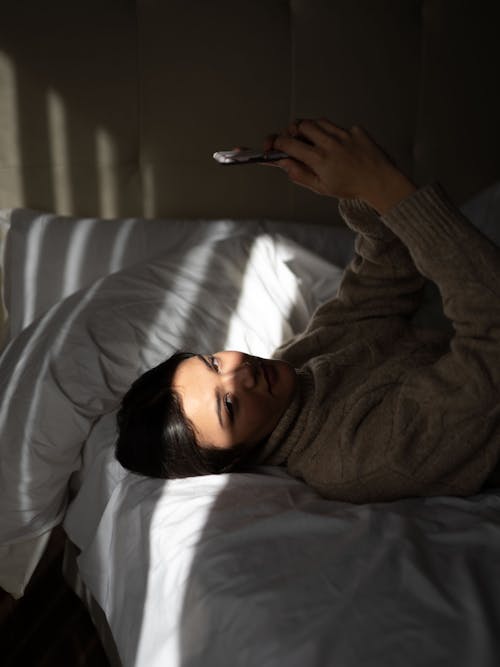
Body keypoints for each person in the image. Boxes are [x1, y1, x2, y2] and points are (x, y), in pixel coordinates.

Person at [116, 118, 500, 503]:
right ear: (236, 458)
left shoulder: (297, 366)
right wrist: (383, 186)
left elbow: (385, 282)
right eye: (229, 405)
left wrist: (350, 188)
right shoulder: (355, 457)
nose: (241, 373)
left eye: (213, 364)